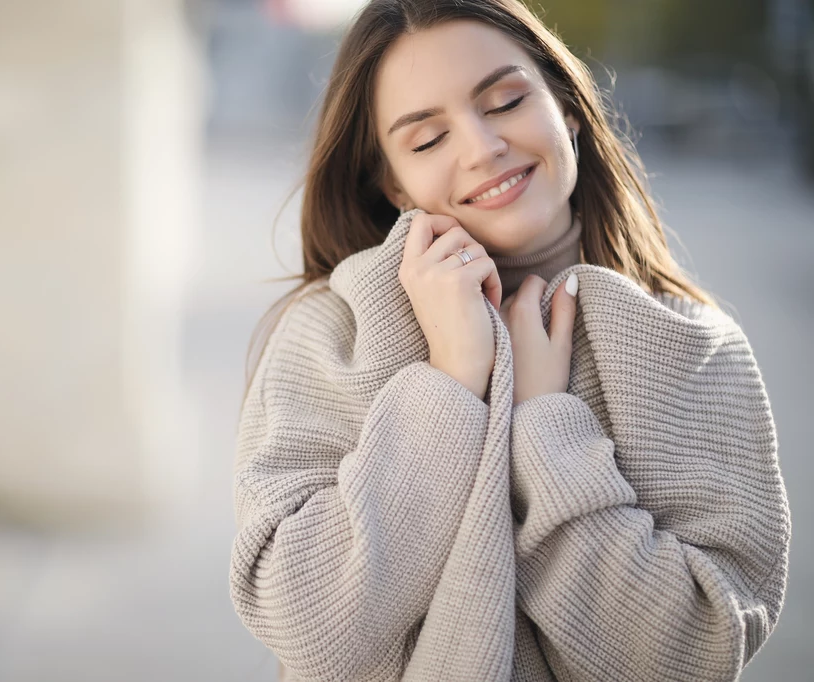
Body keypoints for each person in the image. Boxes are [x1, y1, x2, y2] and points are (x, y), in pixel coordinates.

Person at [229, 1, 791, 680]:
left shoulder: (696, 346)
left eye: (504, 101)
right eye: (427, 139)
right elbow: (306, 623)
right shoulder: (330, 332)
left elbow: (697, 650)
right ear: (390, 181)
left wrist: (546, 427)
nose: (480, 147)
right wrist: (453, 379)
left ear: (568, 107)